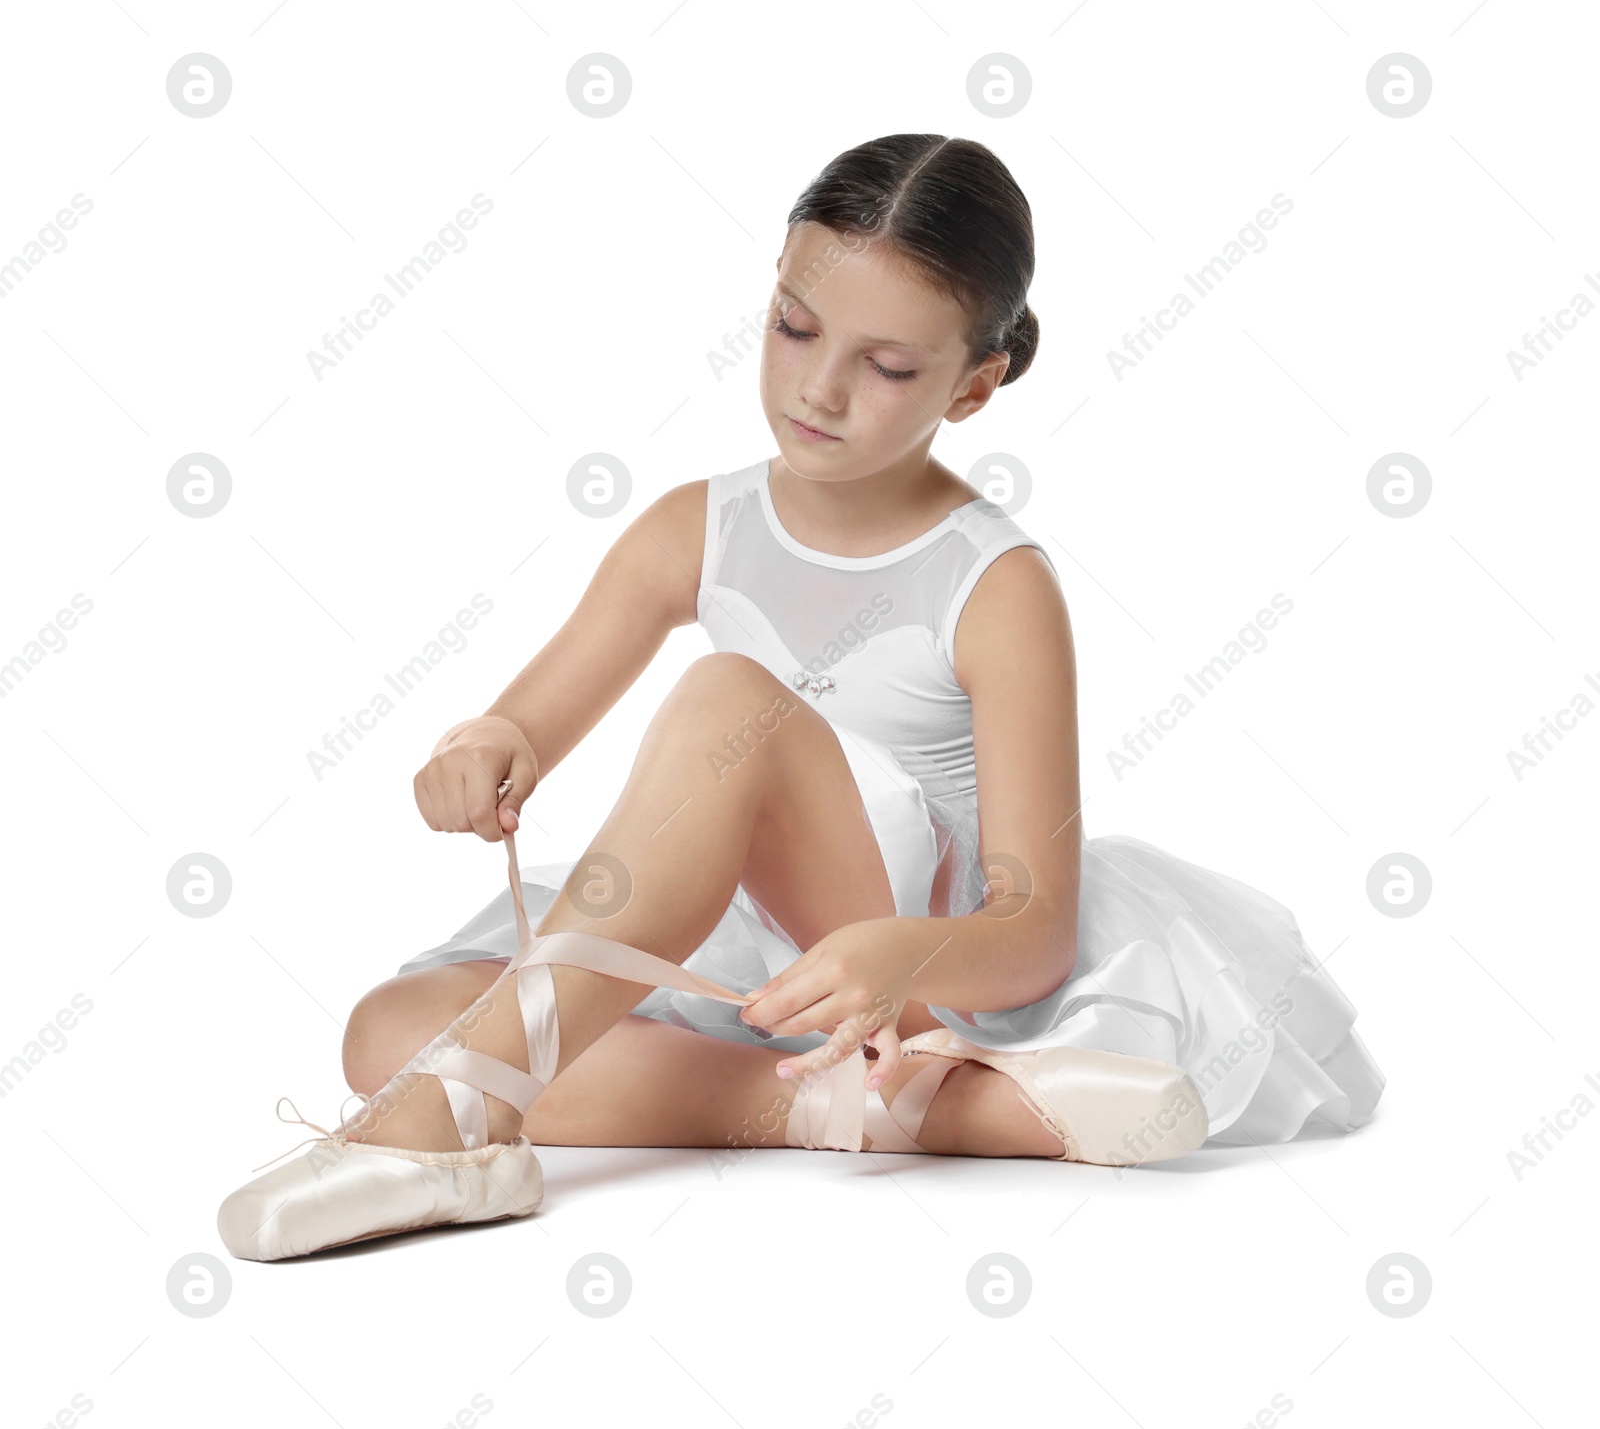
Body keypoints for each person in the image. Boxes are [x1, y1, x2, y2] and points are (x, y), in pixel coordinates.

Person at [217, 133, 1383, 1262]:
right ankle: (884, 1112)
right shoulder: (695, 526)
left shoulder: (994, 584)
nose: (819, 388)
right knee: (386, 1030)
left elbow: (1028, 929)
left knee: (731, 699)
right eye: (793, 326)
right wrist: (483, 743)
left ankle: (452, 1129)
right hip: (752, 953)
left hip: (921, 959)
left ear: (976, 385)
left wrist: (901, 959)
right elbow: (527, 718)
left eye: (886, 367)